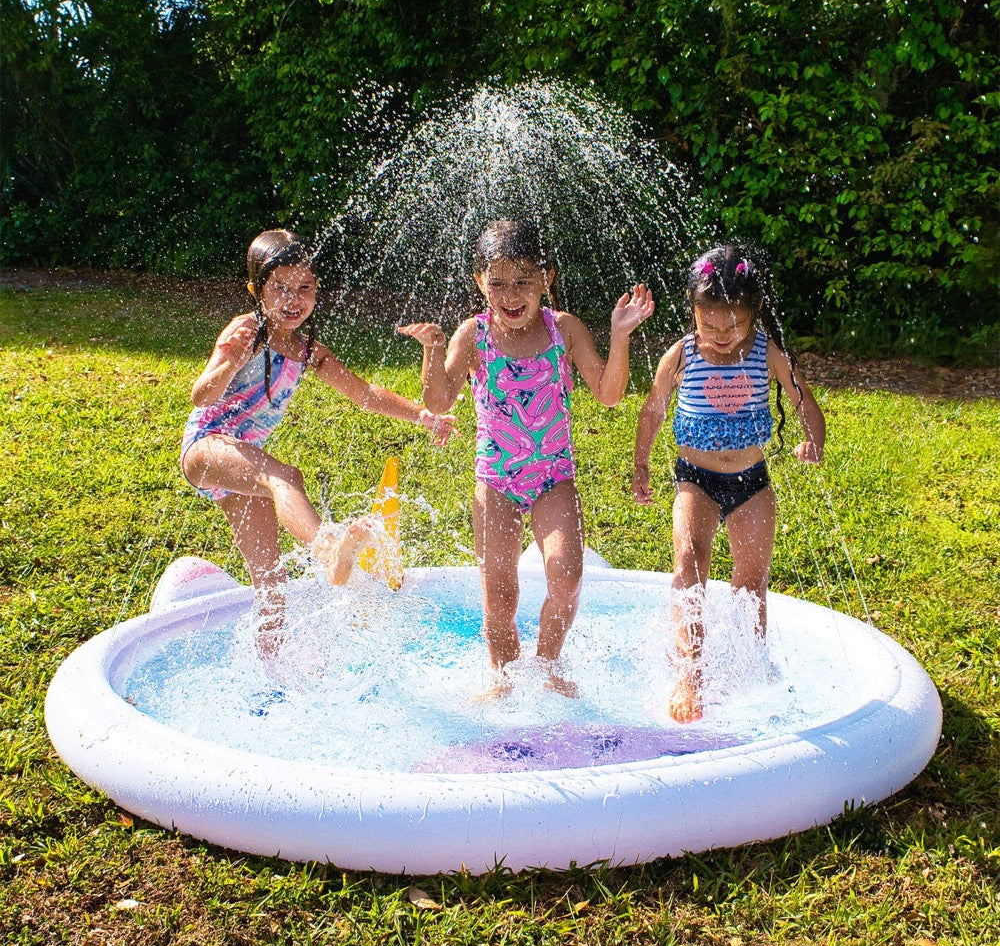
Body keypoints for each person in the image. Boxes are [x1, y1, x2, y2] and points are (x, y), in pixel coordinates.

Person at [401, 219, 654, 698]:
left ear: (546, 279)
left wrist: (620, 335)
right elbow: (438, 401)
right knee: (498, 594)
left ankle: (546, 664)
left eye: (523, 281)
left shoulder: (565, 329)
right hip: (496, 480)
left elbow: (609, 393)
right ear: (479, 283)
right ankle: (503, 678)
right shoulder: (473, 336)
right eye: (497, 282)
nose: (510, 294)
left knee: (567, 574)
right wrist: (433, 349)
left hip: (553, 476)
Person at [181, 229, 457, 665]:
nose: (294, 299)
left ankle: (267, 673)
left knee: (272, 582)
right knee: (285, 476)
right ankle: (328, 547)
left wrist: (423, 416)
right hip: (206, 449)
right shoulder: (245, 331)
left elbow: (365, 394)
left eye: (304, 288)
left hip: (242, 464)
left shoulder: (307, 350)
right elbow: (201, 396)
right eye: (281, 289)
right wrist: (231, 360)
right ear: (257, 290)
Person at [631, 244, 826, 723]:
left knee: (751, 582)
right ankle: (689, 676)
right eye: (709, 324)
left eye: (732, 325)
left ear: (753, 314)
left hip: (752, 481)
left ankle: (746, 671)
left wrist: (812, 440)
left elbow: (803, 400)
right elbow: (654, 411)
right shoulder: (680, 356)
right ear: (694, 314)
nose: (721, 335)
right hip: (694, 479)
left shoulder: (766, 352)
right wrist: (640, 464)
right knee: (688, 562)